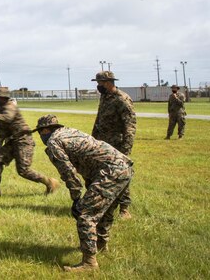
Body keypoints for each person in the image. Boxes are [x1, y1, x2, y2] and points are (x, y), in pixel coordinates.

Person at [35, 114, 133, 273]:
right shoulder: (70, 132)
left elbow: (68, 173)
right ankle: (100, 245)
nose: (41, 136)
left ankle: (89, 263)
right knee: (105, 211)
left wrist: (76, 199)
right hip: (124, 167)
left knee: (85, 214)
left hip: (110, 172)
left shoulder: (54, 142)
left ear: (46, 129)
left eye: (40, 133)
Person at [0, 86, 60, 195]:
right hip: (14, 141)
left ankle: (49, 182)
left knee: (23, 171)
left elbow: (7, 118)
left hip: (24, 141)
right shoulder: (2, 108)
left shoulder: (10, 107)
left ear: (4, 98)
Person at [90, 71, 136, 218]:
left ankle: (124, 208)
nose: (98, 86)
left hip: (118, 145)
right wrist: (93, 140)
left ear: (109, 82)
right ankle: (103, 204)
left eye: (100, 83)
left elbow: (130, 126)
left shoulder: (122, 99)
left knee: (121, 175)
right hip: (103, 143)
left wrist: (126, 150)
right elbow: (99, 120)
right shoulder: (105, 97)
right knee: (101, 174)